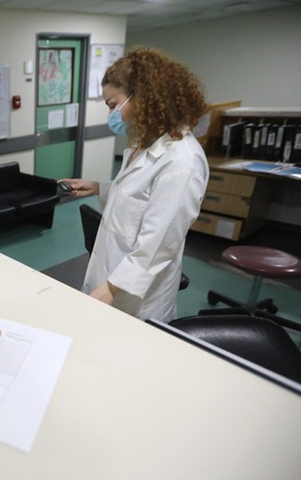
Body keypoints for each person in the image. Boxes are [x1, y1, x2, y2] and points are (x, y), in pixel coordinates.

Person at [59, 47, 209, 322]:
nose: (113, 114)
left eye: (113, 104)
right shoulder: (145, 144)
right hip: (112, 273)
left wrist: (111, 288)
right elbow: (137, 196)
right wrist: (99, 187)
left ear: (145, 97)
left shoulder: (181, 162)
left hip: (139, 297)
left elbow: (160, 242)